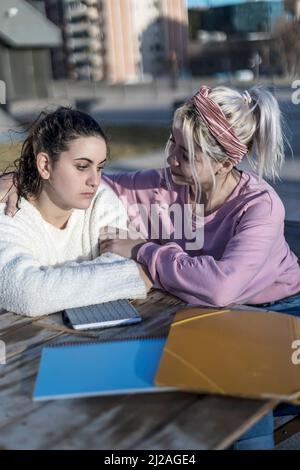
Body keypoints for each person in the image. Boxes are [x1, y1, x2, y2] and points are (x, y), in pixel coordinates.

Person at [0, 107, 151, 317]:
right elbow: (27, 294)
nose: (94, 180)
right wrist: (127, 277)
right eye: (82, 166)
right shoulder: (8, 212)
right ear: (45, 165)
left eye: (100, 167)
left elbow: (131, 261)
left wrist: (48, 281)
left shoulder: (102, 201)